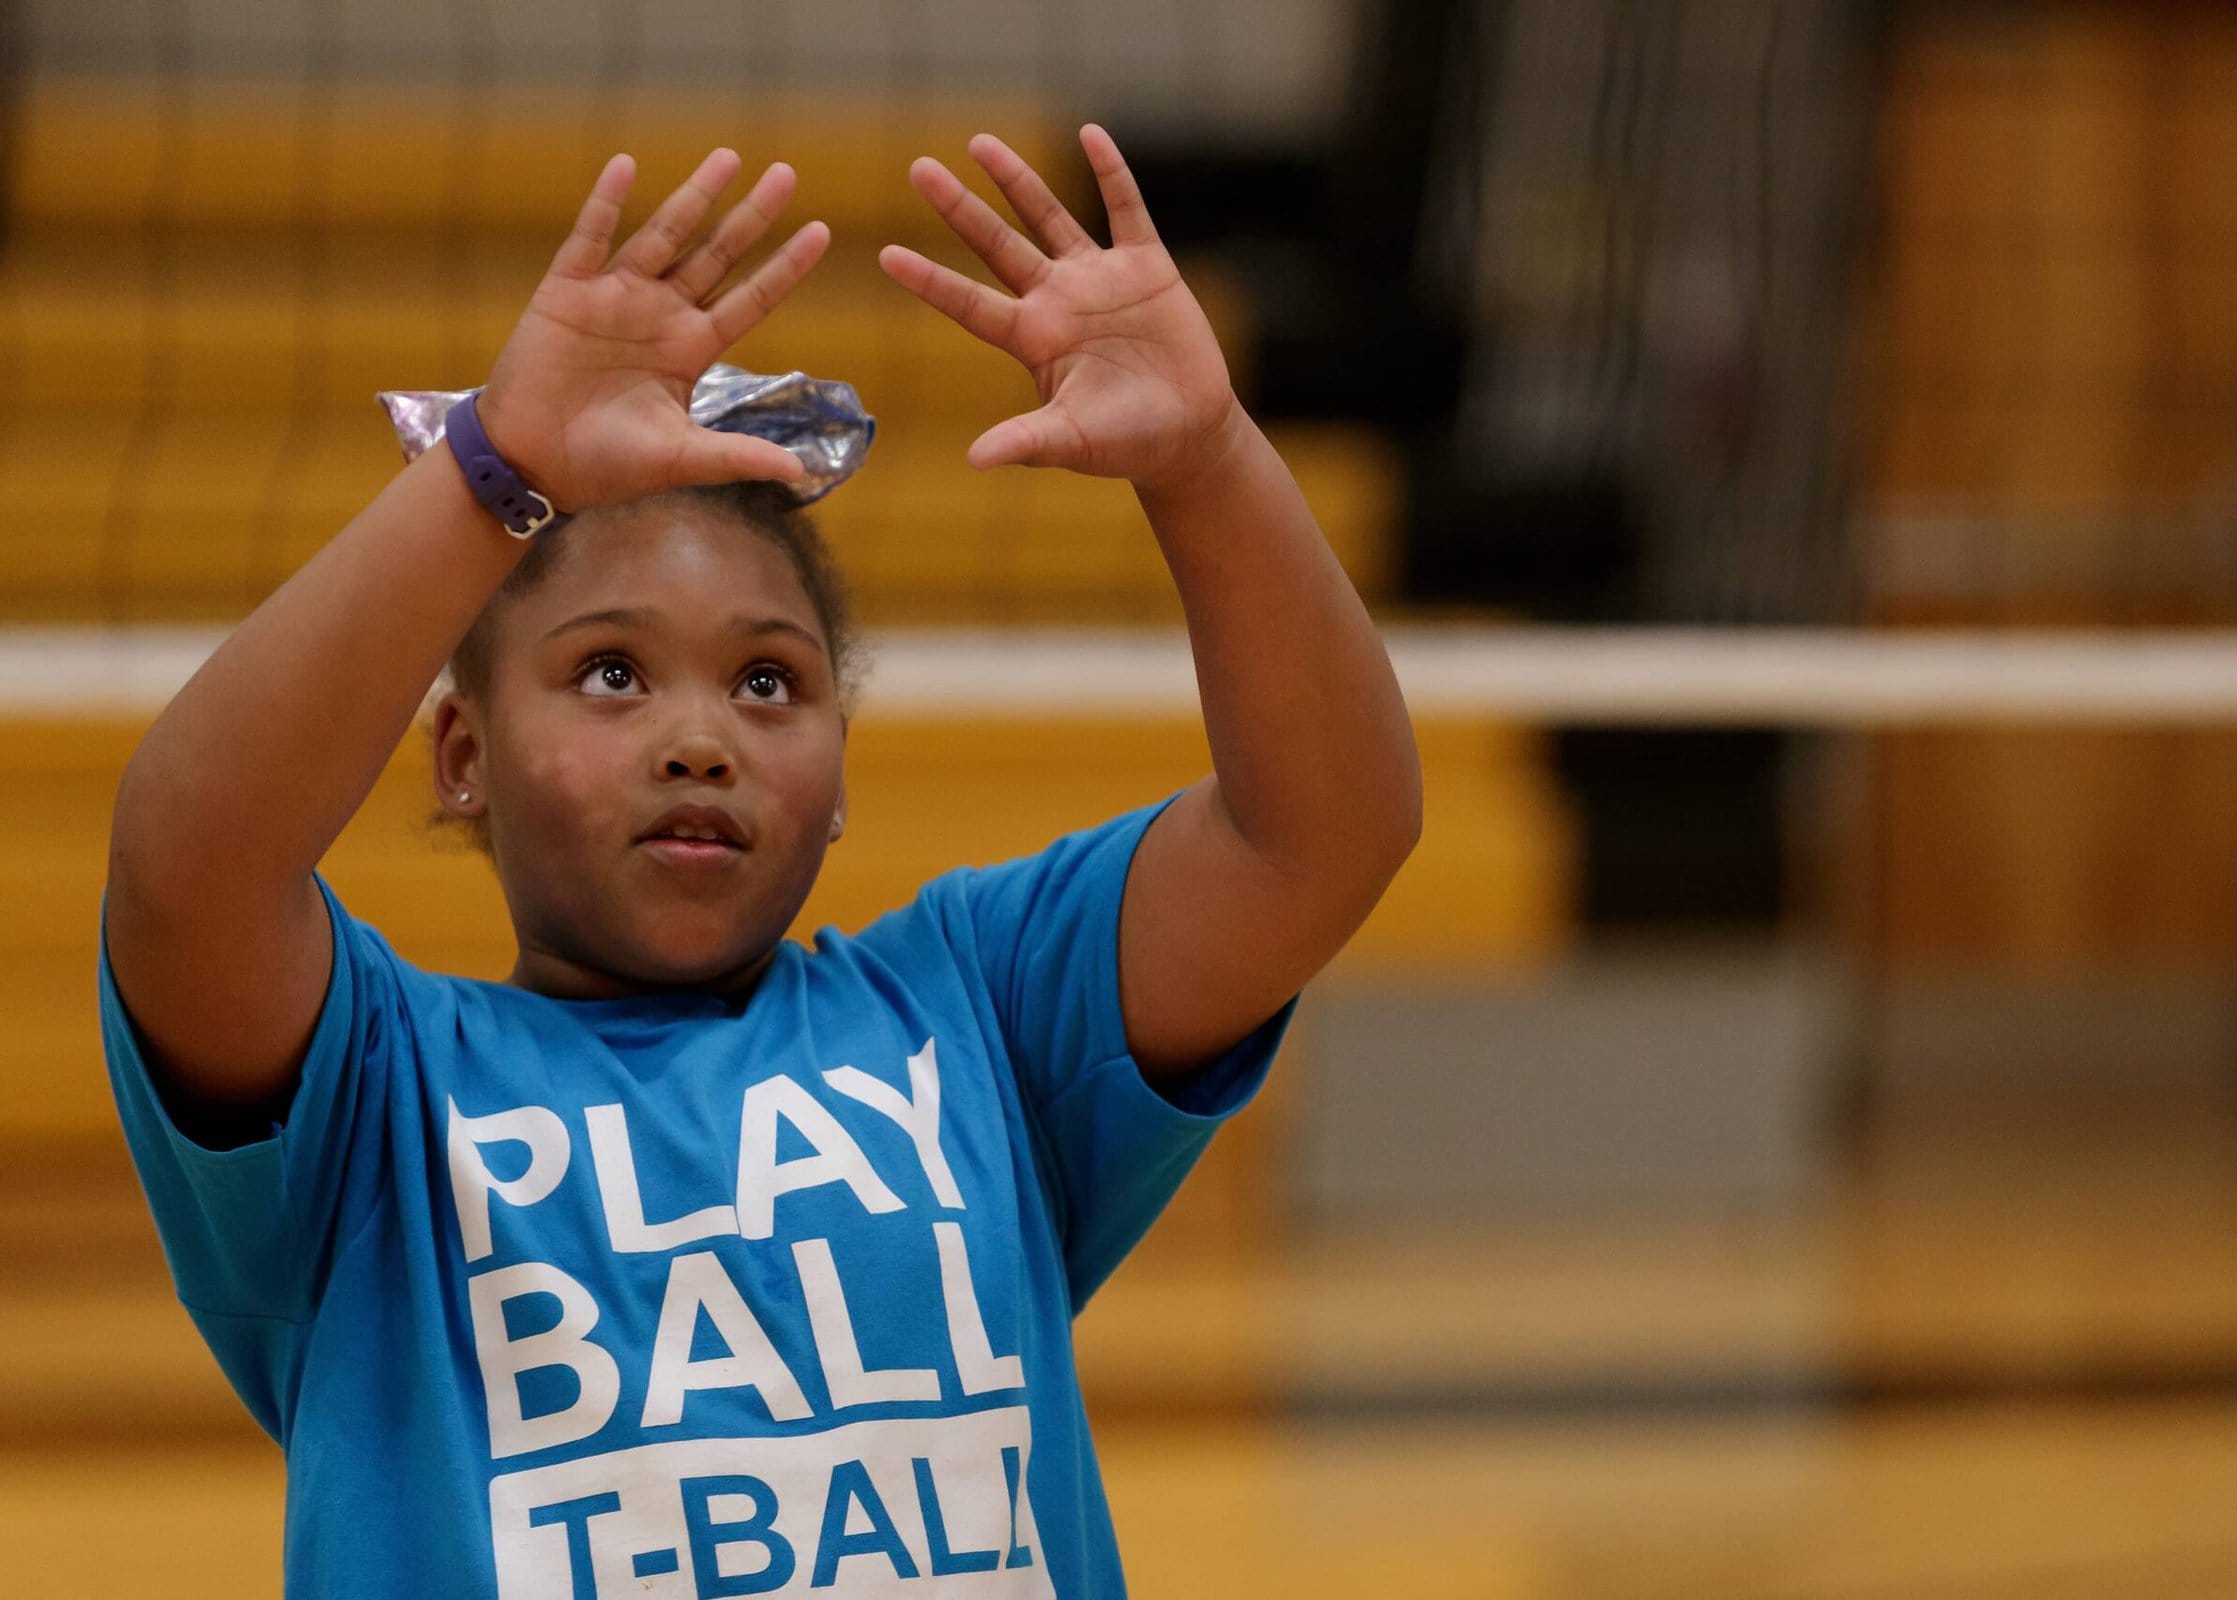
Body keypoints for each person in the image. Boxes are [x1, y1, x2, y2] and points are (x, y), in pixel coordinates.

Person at [97, 124, 1421, 1597]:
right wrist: (496, 470)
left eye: (770, 683)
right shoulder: (377, 1098)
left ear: (841, 773)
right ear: (460, 757)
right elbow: (184, 864)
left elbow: (1324, 833)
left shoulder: (977, 1011)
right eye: (610, 674)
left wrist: (1212, 458)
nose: (698, 739)